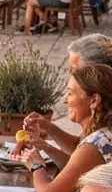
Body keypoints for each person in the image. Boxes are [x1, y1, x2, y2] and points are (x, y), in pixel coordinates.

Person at [18, 63, 112, 192]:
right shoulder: (104, 132)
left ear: (94, 101)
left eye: (70, 93)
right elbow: (77, 152)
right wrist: (47, 129)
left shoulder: (98, 143)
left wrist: (37, 166)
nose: (65, 100)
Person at [22, 34, 112, 162]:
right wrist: (48, 127)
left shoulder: (104, 131)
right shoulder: (102, 114)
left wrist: (37, 165)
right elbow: (78, 148)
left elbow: (79, 166)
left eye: (74, 71)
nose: (70, 76)